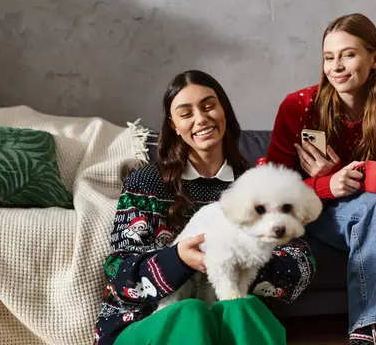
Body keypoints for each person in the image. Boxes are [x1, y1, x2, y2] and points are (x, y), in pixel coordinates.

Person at [94, 70, 316, 345]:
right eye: (186, 113)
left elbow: (300, 268)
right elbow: (118, 272)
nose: (201, 118)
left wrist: (237, 260)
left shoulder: (257, 184)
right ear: (173, 125)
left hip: (227, 322)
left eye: (209, 105)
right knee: (191, 312)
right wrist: (179, 260)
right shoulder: (147, 183)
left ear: (224, 110)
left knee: (244, 307)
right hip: (147, 324)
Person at [266, 13, 376, 345]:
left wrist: (337, 177)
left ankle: (366, 328)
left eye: (348, 54)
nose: (336, 66)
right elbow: (269, 192)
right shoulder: (298, 105)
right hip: (299, 210)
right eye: (329, 57)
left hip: (354, 212)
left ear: (375, 59)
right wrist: (324, 185)